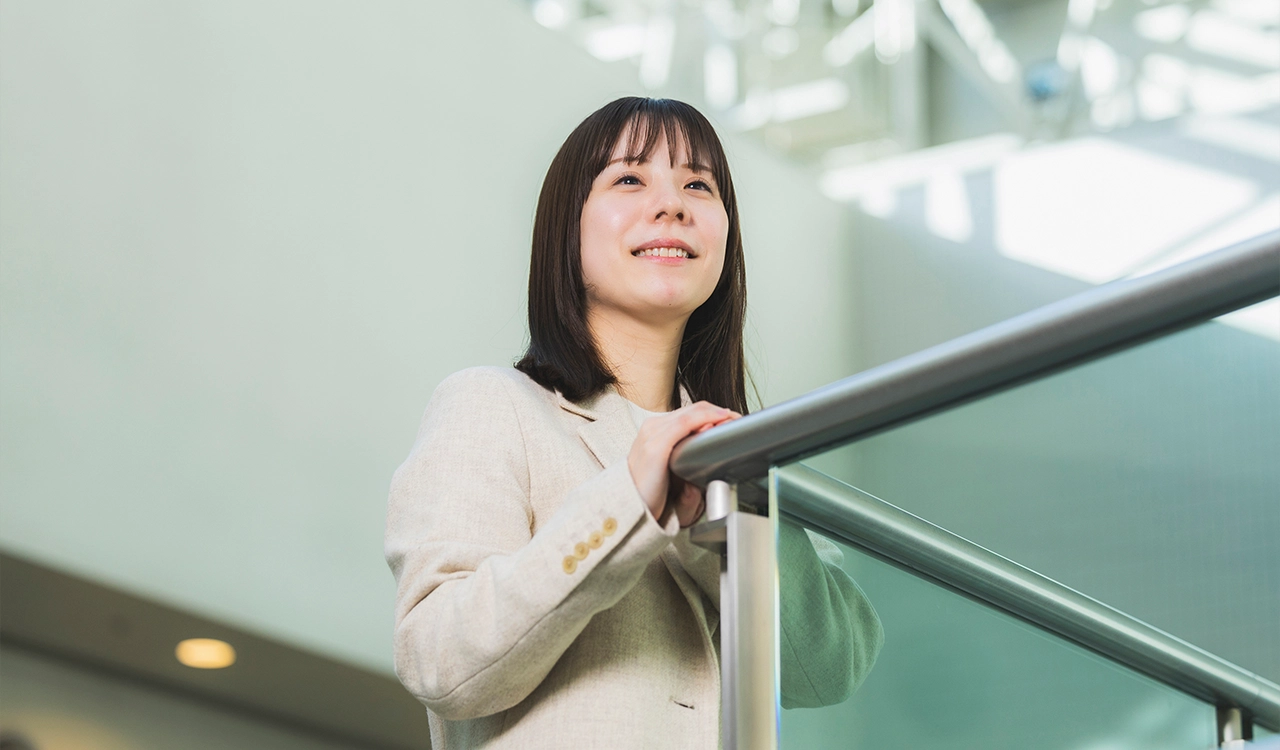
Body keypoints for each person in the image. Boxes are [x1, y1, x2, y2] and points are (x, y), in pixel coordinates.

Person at [384, 97, 882, 750]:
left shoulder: (747, 457)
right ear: (569, 227)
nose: (672, 204)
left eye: (698, 185)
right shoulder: (491, 405)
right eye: (629, 178)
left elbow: (831, 671)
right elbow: (440, 660)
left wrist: (740, 515)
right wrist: (627, 504)